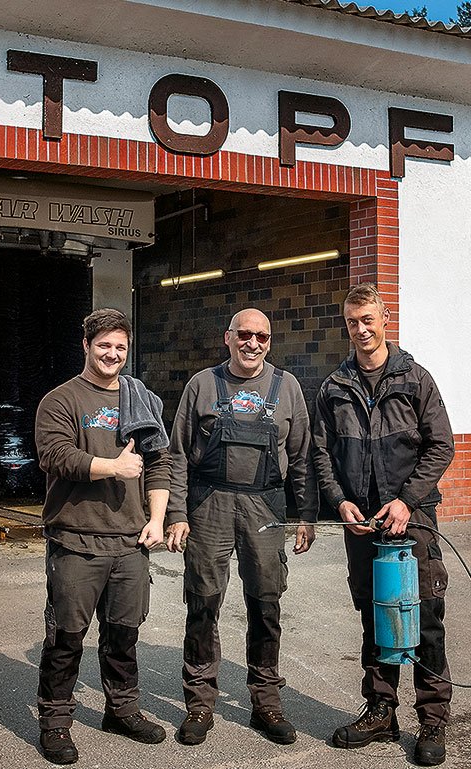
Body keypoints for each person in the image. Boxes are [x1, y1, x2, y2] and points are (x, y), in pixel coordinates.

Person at [311, 283, 454, 766]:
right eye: (352, 322)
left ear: (384, 317)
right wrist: (338, 502)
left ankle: (432, 718)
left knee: (423, 616)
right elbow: (321, 454)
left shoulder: (415, 379)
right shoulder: (335, 387)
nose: (361, 329)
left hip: (413, 523)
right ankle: (381, 710)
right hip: (364, 525)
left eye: (368, 319)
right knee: (375, 615)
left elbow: (441, 447)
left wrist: (406, 502)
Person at [165, 308, 317, 747]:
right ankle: (199, 703)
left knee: (266, 606)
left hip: (265, 506)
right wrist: (176, 513)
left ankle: (266, 701)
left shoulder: (286, 387)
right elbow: (177, 455)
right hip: (209, 503)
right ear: (227, 337)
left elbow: (303, 456)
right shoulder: (202, 385)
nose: (254, 344)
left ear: (270, 342)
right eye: (245, 335)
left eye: (263, 337)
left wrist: (305, 515)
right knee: (203, 604)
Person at [34, 308, 172, 765]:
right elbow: (56, 456)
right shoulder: (61, 400)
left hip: (131, 542)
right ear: (87, 346)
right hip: (76, 541)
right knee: (66, 638)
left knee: (124, 636)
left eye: (120, 347)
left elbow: (158, 462)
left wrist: (156, 518)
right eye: (104, 346)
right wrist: (112, 466)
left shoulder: (142, 400)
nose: (112, 354)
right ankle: (55, 723)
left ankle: (122, 710)